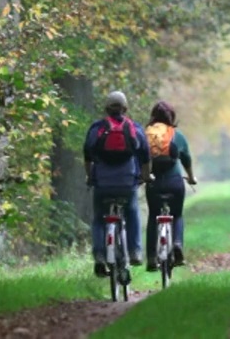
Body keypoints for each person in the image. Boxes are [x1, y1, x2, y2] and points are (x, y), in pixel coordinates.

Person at [84, 90, 150, 277]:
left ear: (106, 109)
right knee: (132, 211)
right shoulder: (134, 128)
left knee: (99, 218)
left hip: (103, 184)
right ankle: (135, 251)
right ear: (125, 108)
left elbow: (87, 155)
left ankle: (99, 254)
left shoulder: (97, 128)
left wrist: (90, 177)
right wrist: (145, 177)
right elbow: (145, 156)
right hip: (127, 182)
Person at [143, 101, 197, 271]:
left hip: (154, 183)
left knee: (153, 216)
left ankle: (152, 257)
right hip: (175, 183)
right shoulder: (177, 136)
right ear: (171, 117)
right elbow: (186, 159)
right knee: (177, 215)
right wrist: (191, 177)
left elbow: (140, 159)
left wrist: (142, 176)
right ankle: (177, 244)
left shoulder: (146, 135)